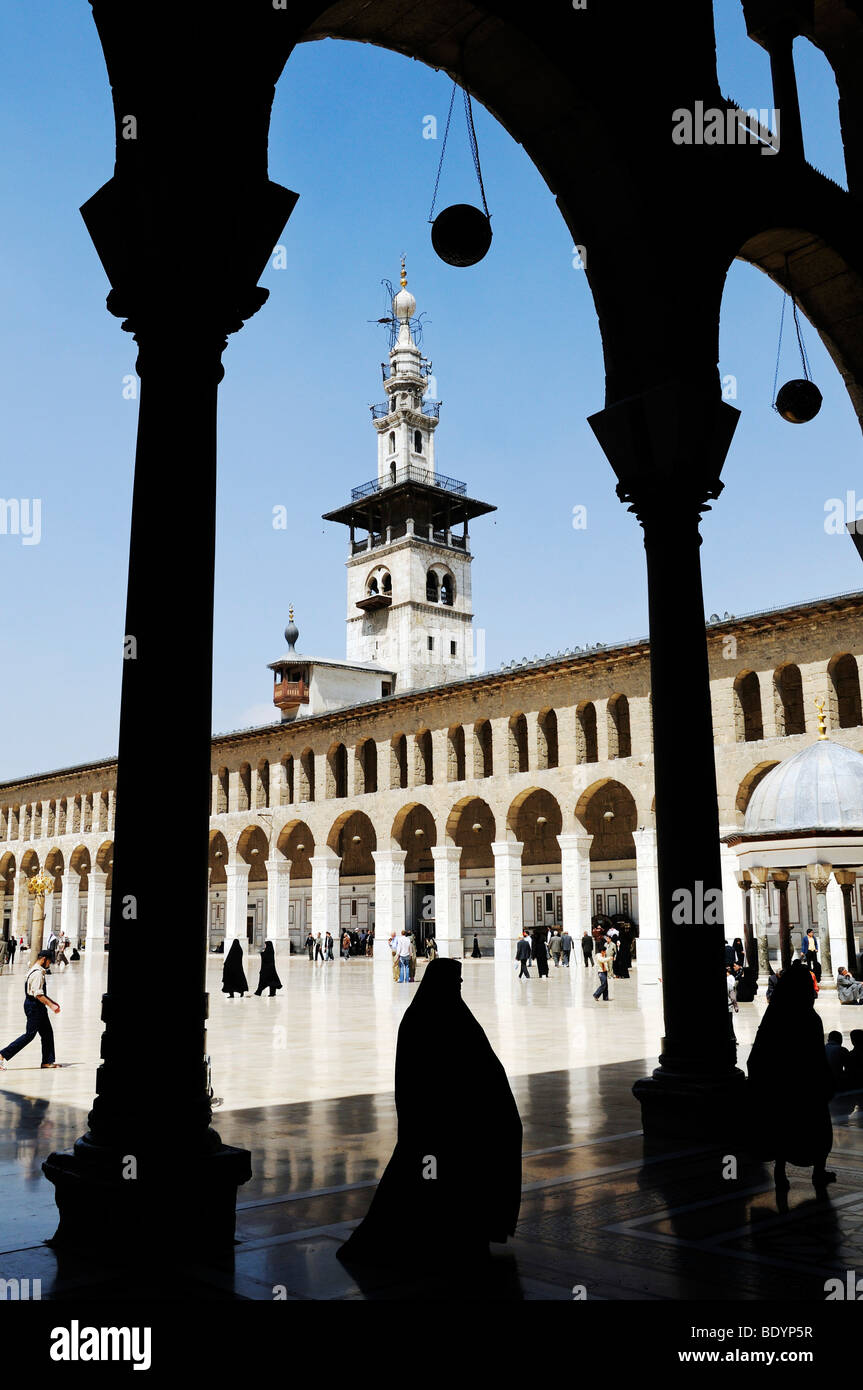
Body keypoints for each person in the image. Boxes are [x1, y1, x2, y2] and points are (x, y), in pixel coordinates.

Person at [338, 958, 522, 1271]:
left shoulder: (429, 1015)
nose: (460, 986)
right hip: (438, 1126)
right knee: (432, 1177)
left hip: (441, 1125)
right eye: (457, 981)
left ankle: (449, 1236)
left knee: (437, 1181)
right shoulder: (438, 1018)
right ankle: (438, 1237)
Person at [747, 961, 835, 1191]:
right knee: (817, 1130)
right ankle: (818, 1172)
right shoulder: (809, 1017)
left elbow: (759, 1050)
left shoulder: (774, 1015)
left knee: (782, 1128)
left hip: (780, 1084)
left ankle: (780, 1173)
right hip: (805, 1085)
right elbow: (816, 1055)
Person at [0, 950, 61, 1070]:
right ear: (44, 959)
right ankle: (2, 1055)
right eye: (49, 961)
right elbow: (38, 994)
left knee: (47, 1033)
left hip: (36, 1005)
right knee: (29, 1035)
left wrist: (52, 1002)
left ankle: (47, 1062)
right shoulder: (38, 973)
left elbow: (37, 991)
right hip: (34, 1006)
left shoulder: (35, 969)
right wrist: (51, 1005)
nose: (49, 964)